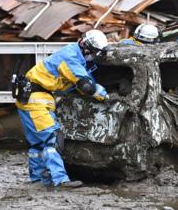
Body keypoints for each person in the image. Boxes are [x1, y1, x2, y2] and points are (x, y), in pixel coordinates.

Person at [13, 29, 110, 187]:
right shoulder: (71, 58)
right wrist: (105, 95)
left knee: (37, 144)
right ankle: (60, 180)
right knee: (54, 138)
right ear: (88, 49)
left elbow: (74, 82)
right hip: (36, 100)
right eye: (95, 53)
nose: (95, 56)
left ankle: (38, 179)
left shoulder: (72, 51)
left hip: (28, 98)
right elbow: (86, 86)